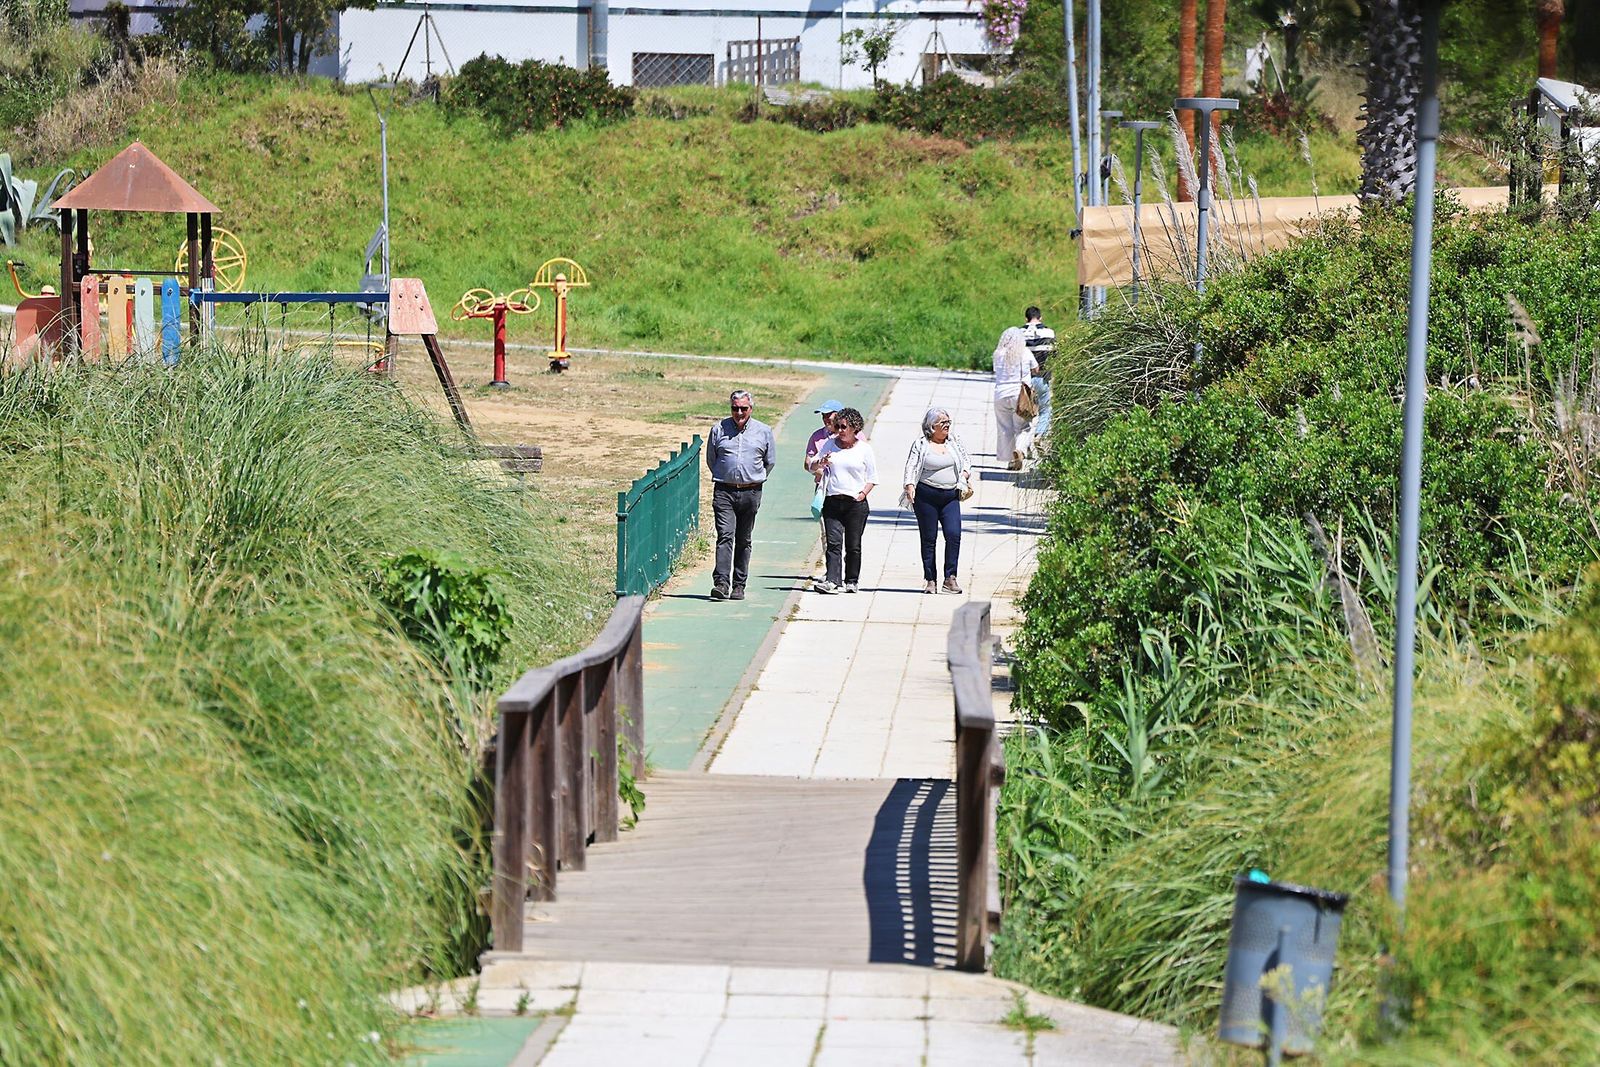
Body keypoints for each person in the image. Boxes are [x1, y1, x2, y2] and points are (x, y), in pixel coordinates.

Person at [705, 389, 776, 601]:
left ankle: (739, 585)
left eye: (743, 408)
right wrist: (727, 475)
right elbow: (712, 459)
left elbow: (769, 461)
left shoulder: (763, 431)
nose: (739, 412)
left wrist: (753, 478)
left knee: (743, 539)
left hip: (751, 492)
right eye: (735, 408)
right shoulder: (718, 429)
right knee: (725, 535)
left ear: (750, 409)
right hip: (724, 491)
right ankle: (721, 583)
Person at [903, 407, 973, 595]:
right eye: (943, 423)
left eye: (948, 422)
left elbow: (966, 461)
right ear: (932, 427)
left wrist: (964, 475)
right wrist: (909, 485)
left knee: (954, 534)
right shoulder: (920, 445)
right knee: (929, 538)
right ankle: (930, 579)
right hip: (926, 496)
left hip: (950, 496)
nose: (947, 426)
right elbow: (911, 465)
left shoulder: (954, 442)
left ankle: (950, 577)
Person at [806, 407, 876, 594]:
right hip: (832, 501)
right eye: (838, 426)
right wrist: (820, 463)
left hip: (855, 504)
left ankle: (851, 580)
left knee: (853, 545)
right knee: (834, 543)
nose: (840, 430)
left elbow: (872, 478)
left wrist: (862, 494)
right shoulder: (830, 445)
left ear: (854, 428)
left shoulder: (864, 449)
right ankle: (832, 580)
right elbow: (812, 465)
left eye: (844, 427)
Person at [805, 400, 843, 583]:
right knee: (827, 533)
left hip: (848, 492)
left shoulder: (855, 436)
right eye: (823, 415)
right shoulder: (817, 437)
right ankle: (832, 572)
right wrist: (821, 470)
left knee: (848, 534)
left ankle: (849, 573)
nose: (826, 418)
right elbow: (808, 463)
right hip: (824, 490)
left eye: (830, 415)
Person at [992, 326, 1038, 471]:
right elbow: (1036, 368)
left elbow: (996, 371)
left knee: (1005, 429)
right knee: (1024, 427)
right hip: (1020, 395)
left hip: (1000, 394)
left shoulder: (998, 353)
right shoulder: (1025, 352)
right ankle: (1020, 450)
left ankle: (1011, 461)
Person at [1022, 306, 1056, 442]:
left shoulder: (1019, 333)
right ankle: (1039, 435)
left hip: (1024, 381)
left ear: (1026, 319)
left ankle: (1025, 444)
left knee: (1024, 414)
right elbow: (1056, 353)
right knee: (1045, 409)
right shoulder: (1049, 332)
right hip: (1042, 377)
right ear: (1040, 318)